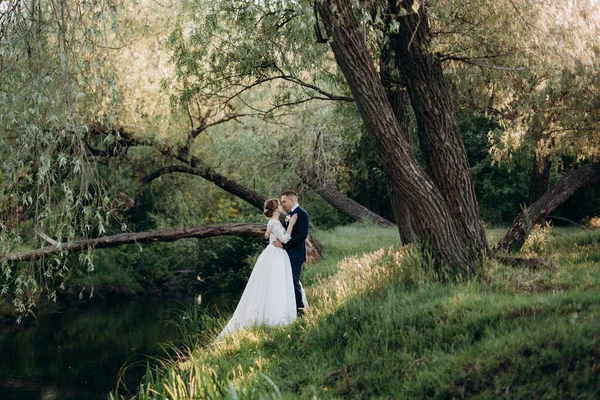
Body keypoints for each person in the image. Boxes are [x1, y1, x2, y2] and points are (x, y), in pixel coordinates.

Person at [217, 198, 298, 339]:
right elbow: (285, 239)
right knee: (275, 284)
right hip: (276, 256)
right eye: (279, 205)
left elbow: (268, 234)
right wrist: (291, 224)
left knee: (274, 284)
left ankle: (275, 316)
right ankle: (275, 318)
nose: (281, 206)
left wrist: (270, 234)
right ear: (274, 209)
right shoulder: (274, 222)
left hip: (274, 253)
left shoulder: (273, 222)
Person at [273, 190, 309, 316]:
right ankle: (291, 308)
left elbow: (302, 235)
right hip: (287, 254)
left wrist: (284, 244)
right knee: (288, 281)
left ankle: (300, 310)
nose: (283, 204)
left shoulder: (302, 214)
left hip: (296, 254)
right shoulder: (290, 214)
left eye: (284, 201)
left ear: (292, 200)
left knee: (294, 281)